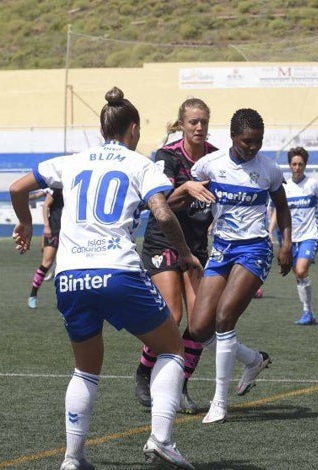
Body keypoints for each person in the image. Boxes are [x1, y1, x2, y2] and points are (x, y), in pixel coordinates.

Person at [9, 87, 199, 470]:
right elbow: (162, 214)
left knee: (85, 369)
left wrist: (25, 223)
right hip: (117, 271)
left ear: (101, 128)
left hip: (70, 277)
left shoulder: (72, 161)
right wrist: (184, 253)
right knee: (172, 349)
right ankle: (161, 440)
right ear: (132, 129)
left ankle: (72, 458)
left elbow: (17, 187)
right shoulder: (140, 163)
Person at [186, 108, 293, 424]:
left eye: (258, 142)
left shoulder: (269, 170)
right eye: (247, 142)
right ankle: (252, 359)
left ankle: (218, 401)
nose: (253, 148)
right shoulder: (210, 165)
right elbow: (189, 193)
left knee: (224, 317)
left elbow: (282, 207)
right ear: (233, 137)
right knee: (198, 326)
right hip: (221, 249)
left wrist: (286, 243)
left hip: (255, 250)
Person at [134, 98, 218, 415]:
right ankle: (144, 370)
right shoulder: (166, 157)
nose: (198, 127)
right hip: (163, 239)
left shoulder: (215, 157)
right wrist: (187, 189)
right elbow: (160, 202)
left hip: (195, 245)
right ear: (181, 124)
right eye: (193, 122)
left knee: (201, 324)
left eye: (203, 122)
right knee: (173, 314)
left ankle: (179, 386)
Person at [268, 146, 318, 325]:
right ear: (289, 165)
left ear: (305, 165)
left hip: (309, 235)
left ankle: (307, 311)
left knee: (301, 270)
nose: (297, 167)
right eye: (294, 164)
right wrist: (270, 230)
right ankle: (308, 312)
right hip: (289, 238)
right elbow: (278, 209)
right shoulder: (285, 186)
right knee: (298, 275)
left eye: (300, 164)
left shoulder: (313, 184)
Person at [27, 187, 63, 308]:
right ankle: (33, 295)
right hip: (54, 230)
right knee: (46, 262)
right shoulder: (56, 188)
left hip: (70, 231)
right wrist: (47, 226)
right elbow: (45, 205)